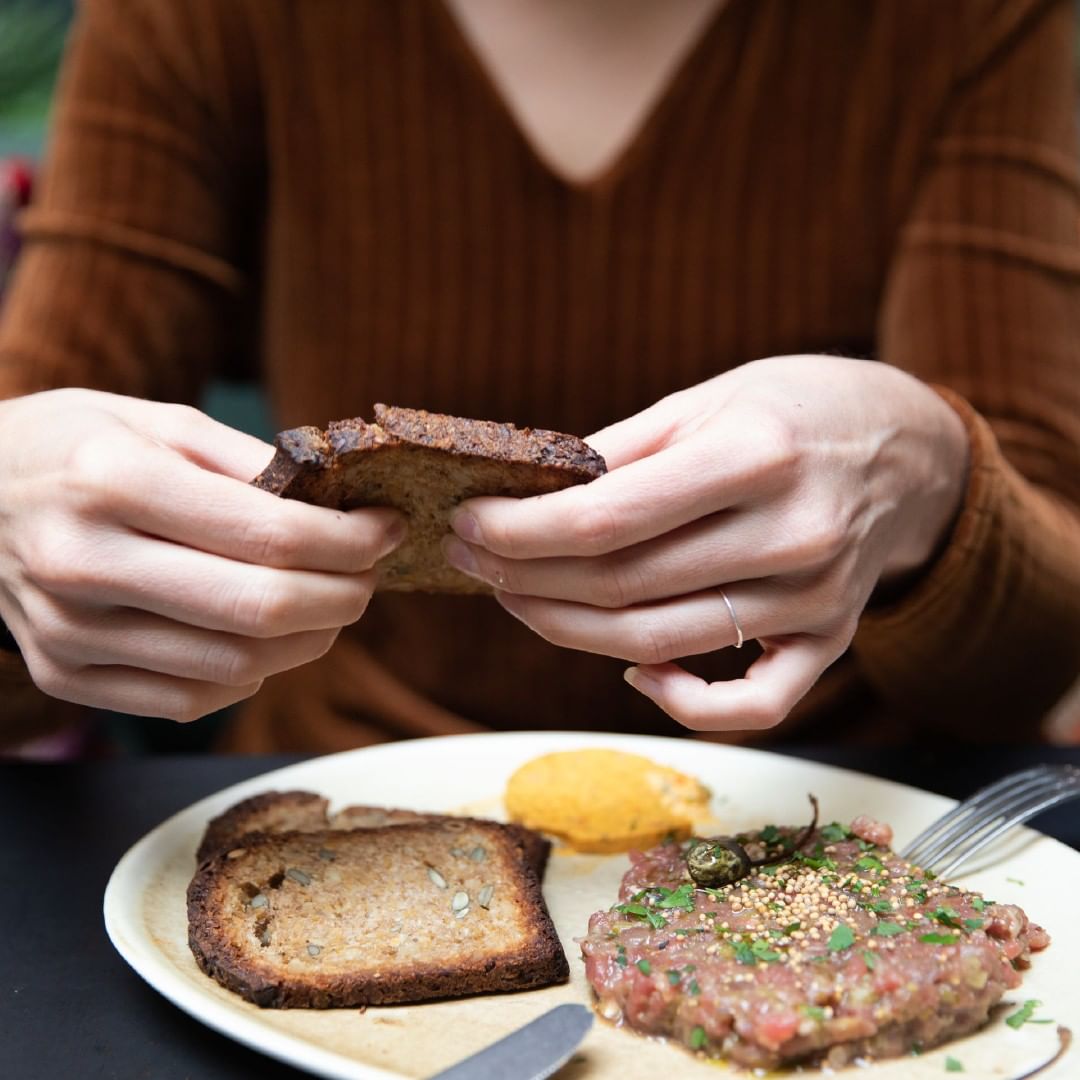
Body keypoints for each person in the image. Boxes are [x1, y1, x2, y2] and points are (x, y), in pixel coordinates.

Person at [0, 0, 1077, 753]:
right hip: (346, 798)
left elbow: (1038, 658)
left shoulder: (965, 20)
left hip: (829, 818)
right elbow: (31, 647)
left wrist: (933, 480)